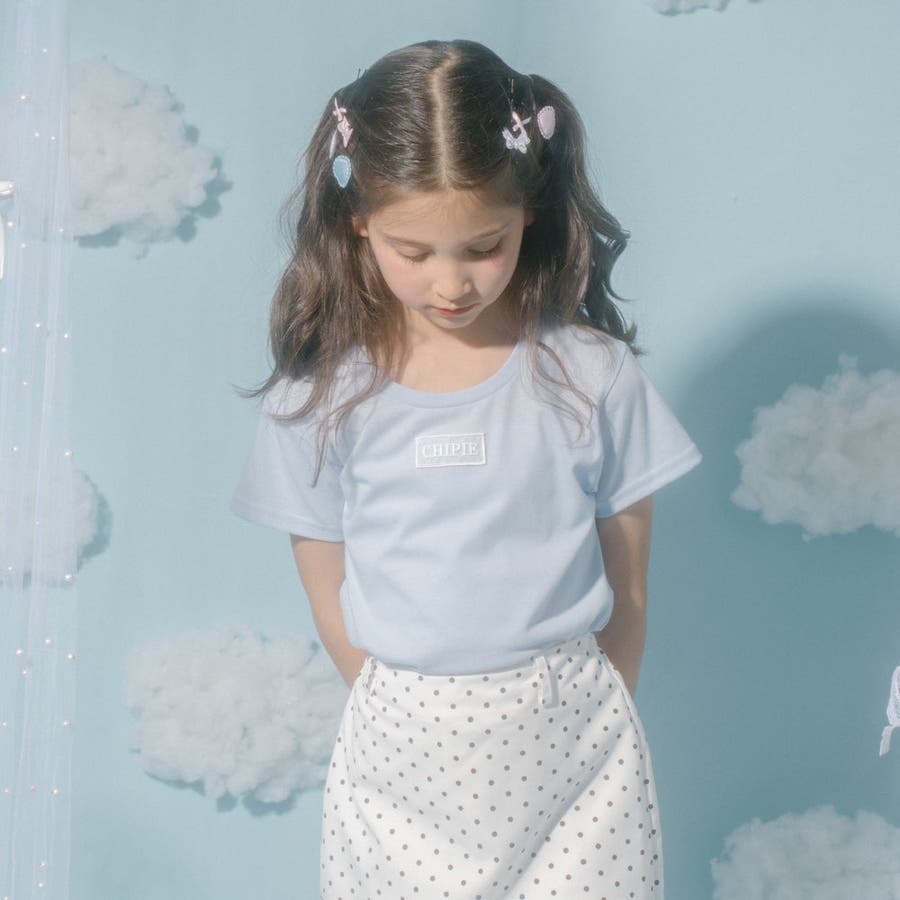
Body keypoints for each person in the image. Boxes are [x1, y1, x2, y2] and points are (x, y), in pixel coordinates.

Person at [230, 38, 702, 900]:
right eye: (414, 252)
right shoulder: (321, 396)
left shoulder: (592, 375)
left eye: (483, 246)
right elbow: (326, 582)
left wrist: (588, 711)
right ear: (358, 220)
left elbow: (628, 584)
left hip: (575, 748)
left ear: (528, 213)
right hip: (401, 752)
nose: (451, 284)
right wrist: (400, 704)